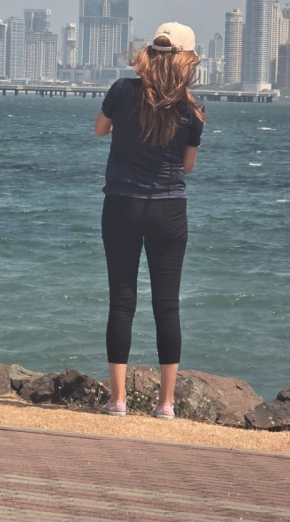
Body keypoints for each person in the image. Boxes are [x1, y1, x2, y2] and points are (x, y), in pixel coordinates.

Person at [94, 22, 205, 420]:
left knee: (122, 302)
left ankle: (118, 400)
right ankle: (166, 404)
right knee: (167, 306)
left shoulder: (123, 91)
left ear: (151, 54)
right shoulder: (192, 109)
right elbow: (187, 167)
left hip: (122, 204)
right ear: (187, 61)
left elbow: (99, 129)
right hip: (168, 210)